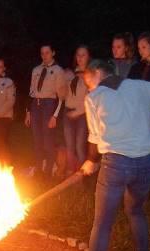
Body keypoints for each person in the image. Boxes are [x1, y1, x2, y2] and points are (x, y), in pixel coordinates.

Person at [73, 60, 150, 251]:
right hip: (146, 164)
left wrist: (91, 160)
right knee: (136, 211)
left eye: (87, 79)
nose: (87, 85)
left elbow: (94, 138)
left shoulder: (94, 98)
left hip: (116, 166)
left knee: (102, 223)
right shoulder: (139, 86)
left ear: (98, 73)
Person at [24, 44, 66, 179]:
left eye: (47, 53)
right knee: (37, 140)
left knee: (48, 141)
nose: (45, 56)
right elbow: (31, 92)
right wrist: (28, 112)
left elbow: (61, 96)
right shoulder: (36, 70)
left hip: (49, 105)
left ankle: (48, 172)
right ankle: (38, 170)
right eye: (42, 53)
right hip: (36, 105)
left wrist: (55, 116)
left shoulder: (58, 70)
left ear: (53, 53)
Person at [63, 45, 91, 175]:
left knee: (80, 146)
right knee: (69, 146)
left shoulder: (90, 75)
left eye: (83, 55)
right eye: (78, 55)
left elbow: (90, 99)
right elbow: (62, 95)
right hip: (68, 111)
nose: (80, 58)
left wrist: (77, 112)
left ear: (88, 57)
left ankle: (80, 176)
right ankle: (70, 173)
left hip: (82, 115)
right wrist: (63, 80)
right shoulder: (70, 73)